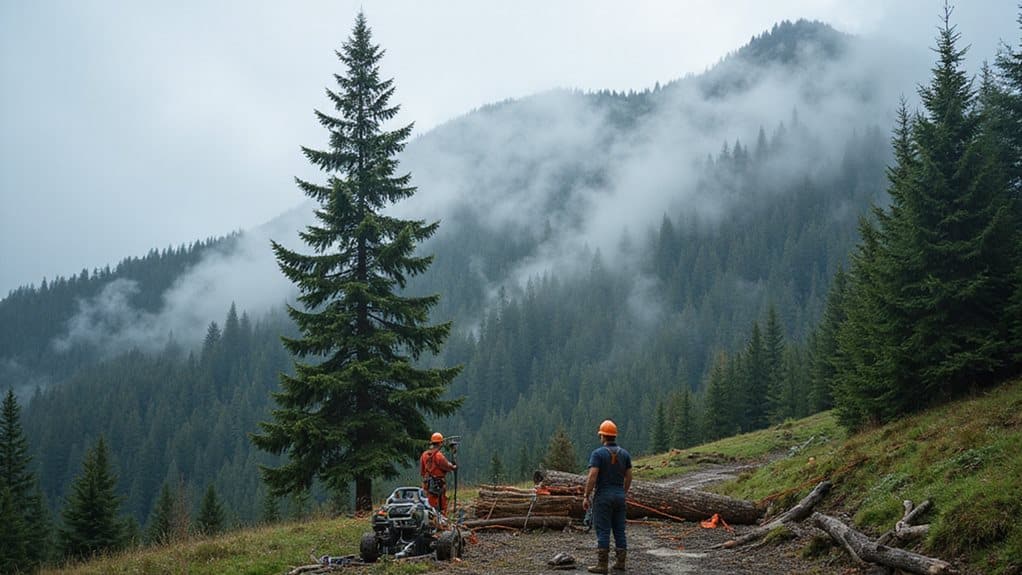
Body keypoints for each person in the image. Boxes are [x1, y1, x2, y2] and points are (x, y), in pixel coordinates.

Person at [582, 419, 633, 573]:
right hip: (619, 495)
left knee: (603, 530)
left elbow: (592, 476)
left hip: (603, 496)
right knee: (619, 530)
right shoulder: (624, 454)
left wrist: (586, 495)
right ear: (614, 436)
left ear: (603, 436)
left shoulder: (597, 454)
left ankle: (602, 565)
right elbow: (629, 476)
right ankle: (620, 563)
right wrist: (622, 492)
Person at [420, 432, 457, 515]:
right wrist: (454, 467)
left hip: (427, 483)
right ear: (440, 443)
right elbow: (447, 466)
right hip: (438, 483)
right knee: (441, 504)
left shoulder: (424, 455)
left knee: (428, 503)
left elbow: (422, 471)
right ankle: (441, 522)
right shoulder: (438, 455)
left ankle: (430, 519)